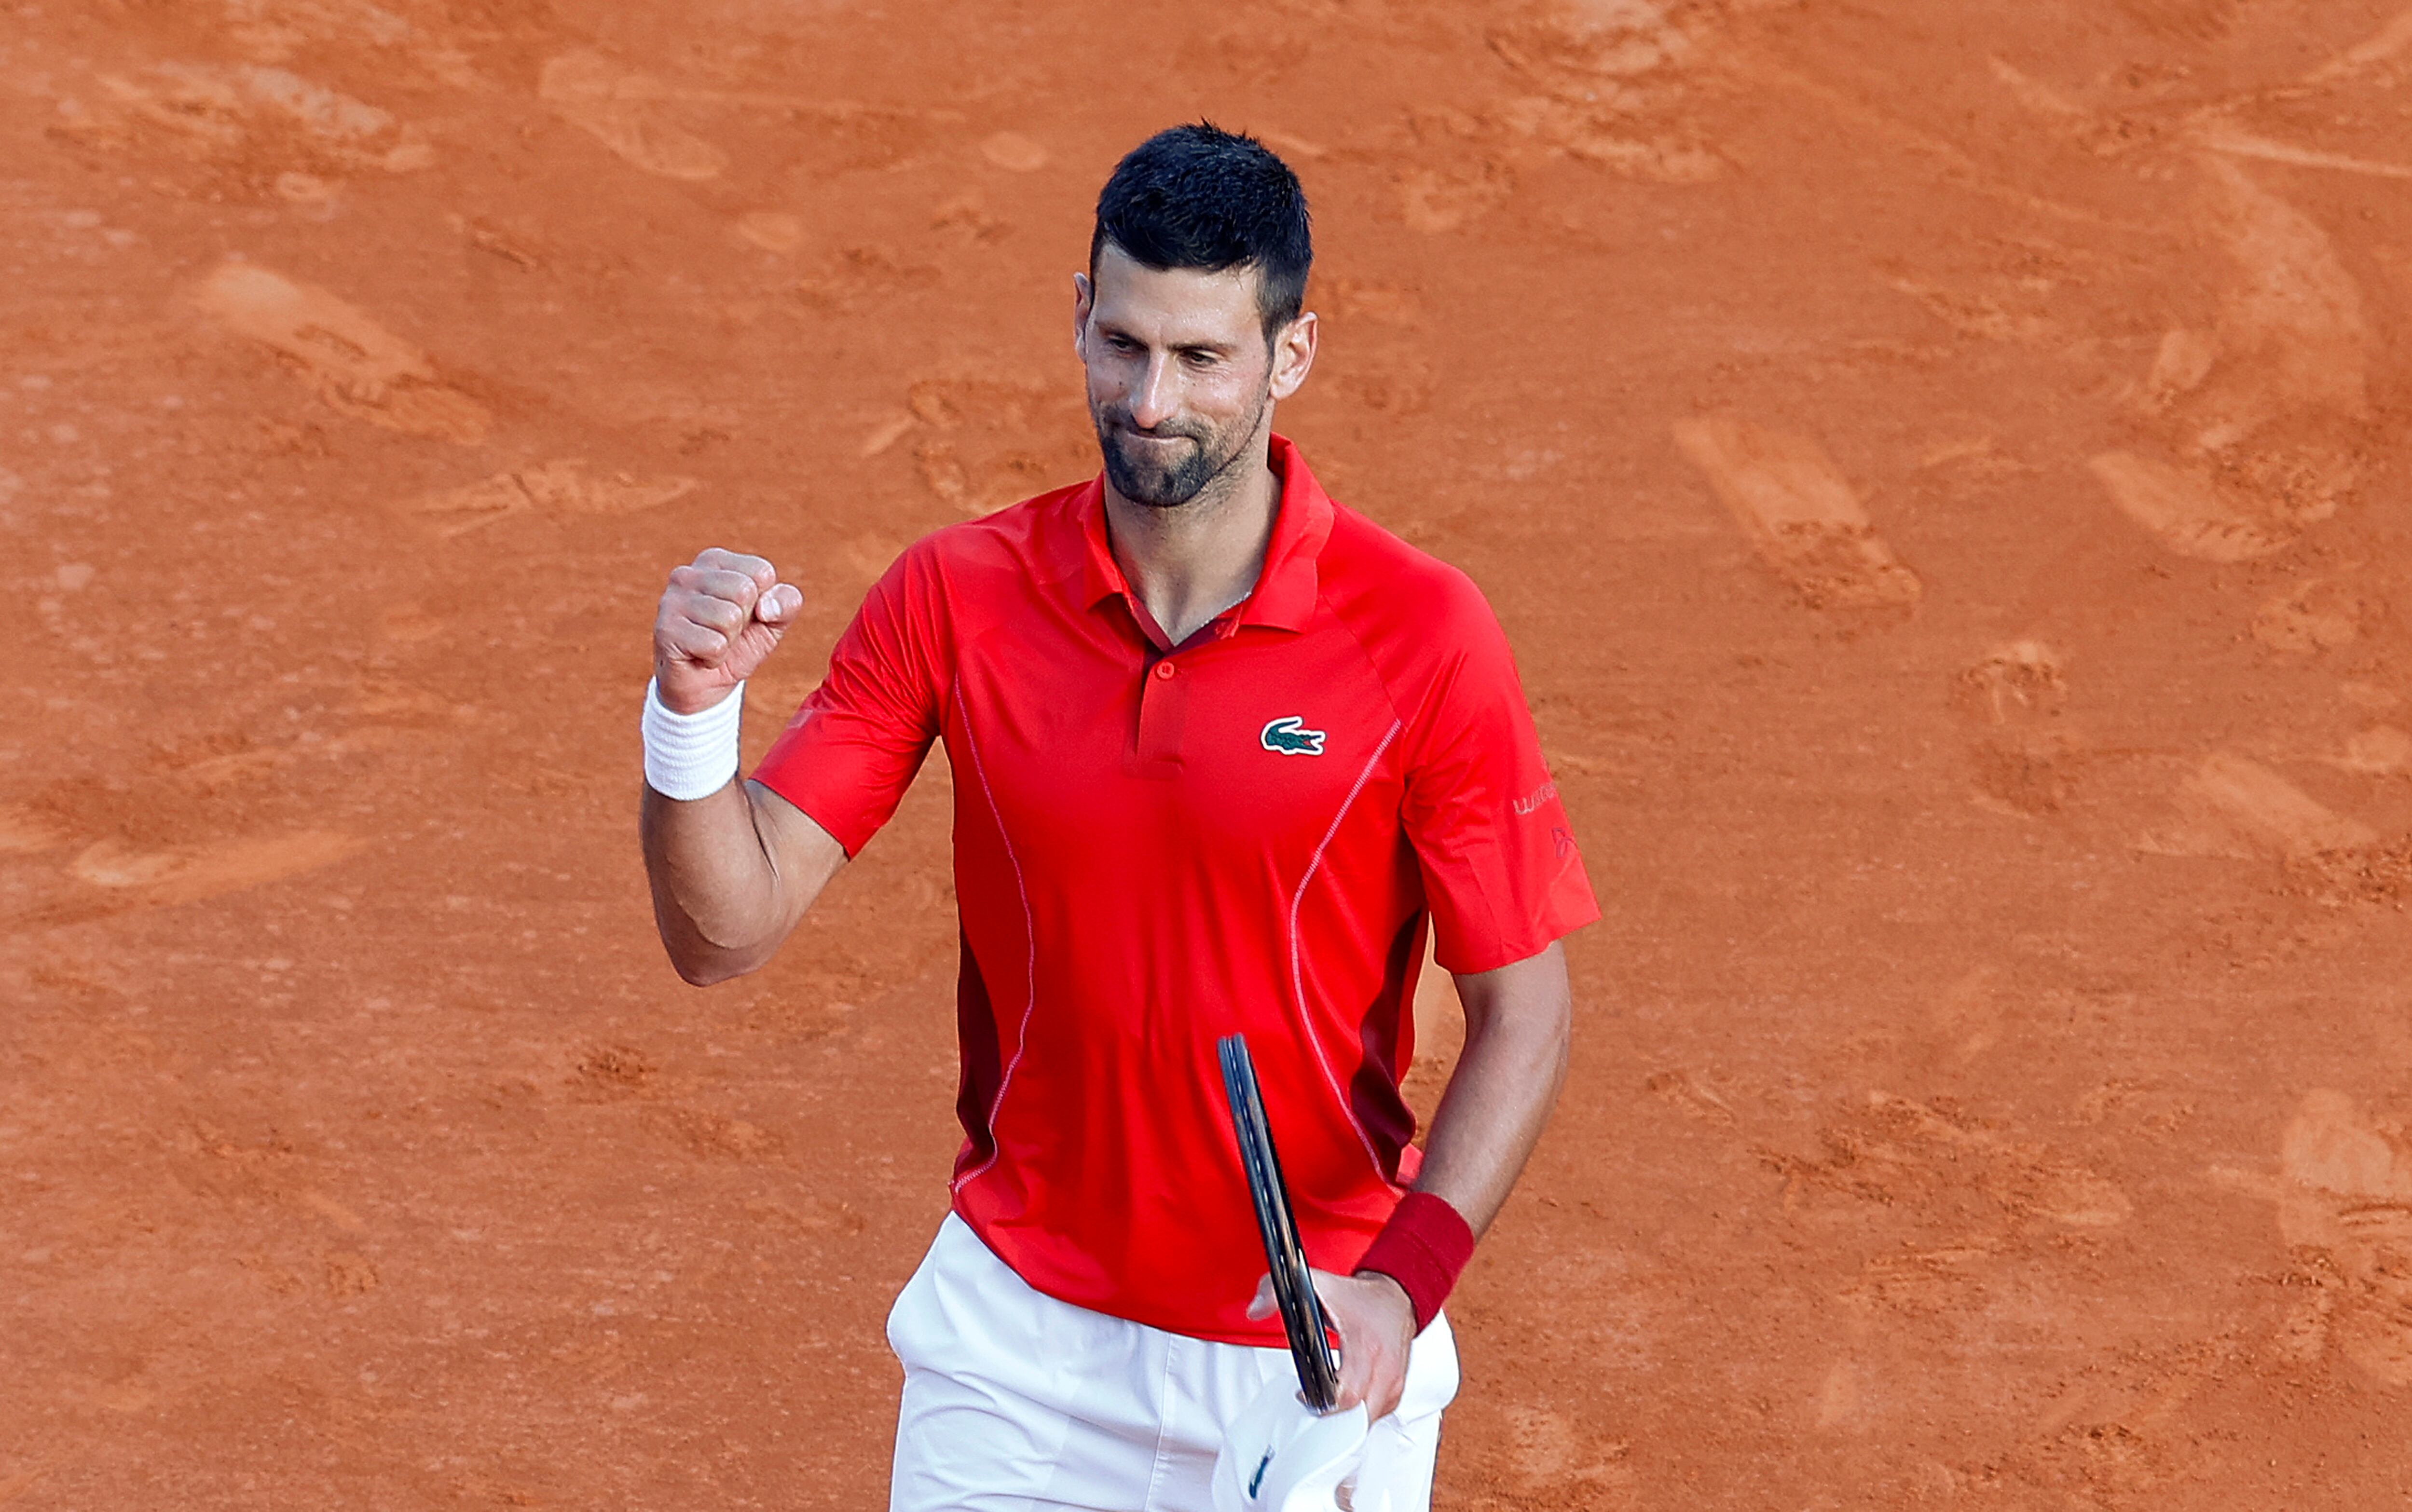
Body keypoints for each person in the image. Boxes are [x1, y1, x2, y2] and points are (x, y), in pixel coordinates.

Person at [637, 122, 1598, 1512]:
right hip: (1018, 1350)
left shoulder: (1421, 636)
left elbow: (1528, 1010)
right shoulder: (954, 599)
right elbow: (720, 932)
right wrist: (690, 716)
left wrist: (1402, 1290)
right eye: (1124, 344)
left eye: (1203, 359)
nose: (1150, 401)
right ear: (1079, 314)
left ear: (1292, 355)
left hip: (1312, 1352)